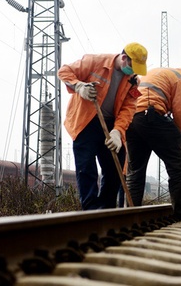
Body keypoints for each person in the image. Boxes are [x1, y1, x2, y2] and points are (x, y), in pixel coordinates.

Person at [58, 42, 148, 210]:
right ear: (123, 58)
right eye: (132, 65)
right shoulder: (95, 61)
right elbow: (64, 71)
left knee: (115, 165)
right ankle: (91, 209)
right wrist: (79, 86)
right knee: (86, 167)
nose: (133, 70)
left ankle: (106, 208)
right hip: (86, 120)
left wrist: (117, 132)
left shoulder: (133, 81)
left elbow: (129, 108)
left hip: (110, 124)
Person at [125, 64, 181, 220]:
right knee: (177, 164)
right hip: (152, 115)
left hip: (133, 118)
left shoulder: (156, 73)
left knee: (135, 171)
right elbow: (180, 112)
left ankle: (130, 212)